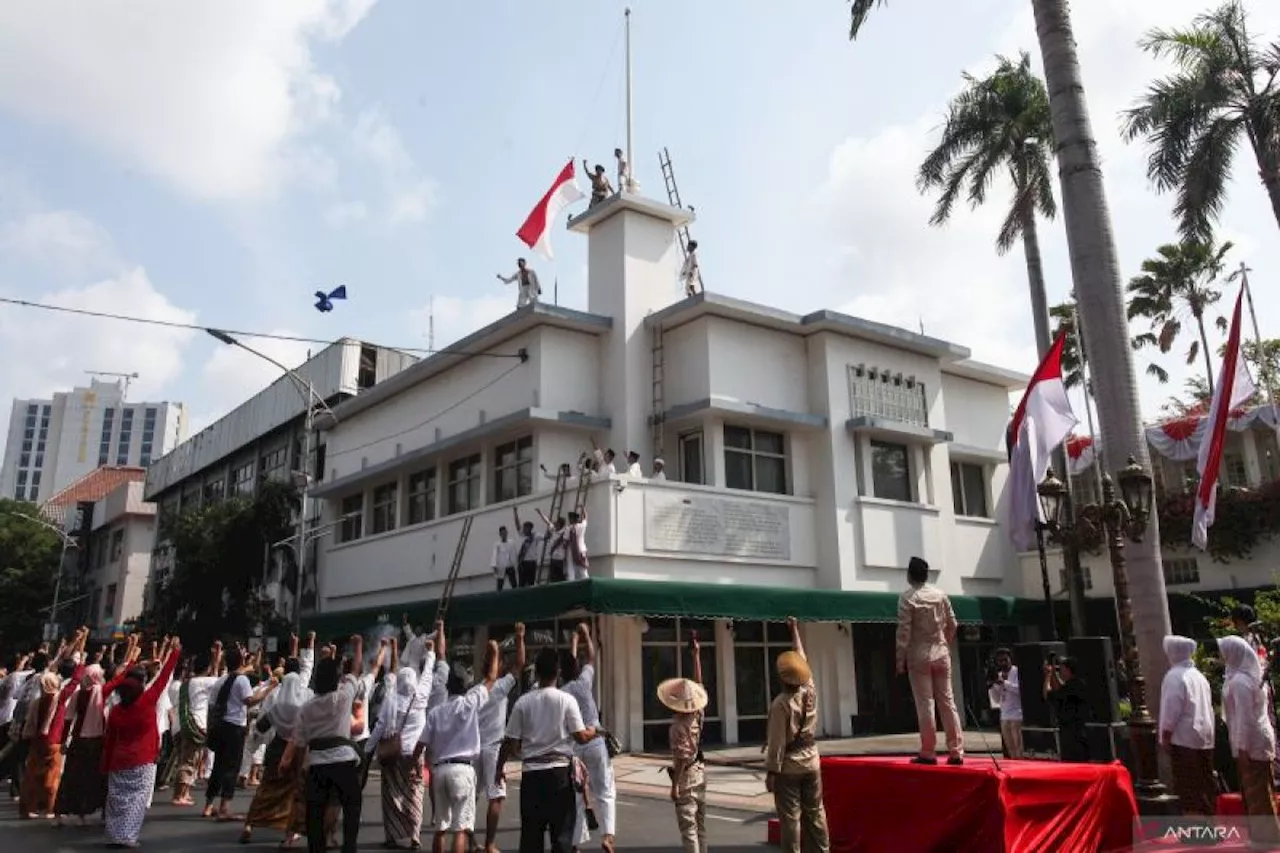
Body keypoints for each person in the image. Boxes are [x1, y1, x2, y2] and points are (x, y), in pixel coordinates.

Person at [497, 647, 597, 853]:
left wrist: (499, 769)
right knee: (561, 837)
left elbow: (509, 742)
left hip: (532, 776)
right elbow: (580, 736)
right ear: (558, 672)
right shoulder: (566, 700)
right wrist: (593, 730)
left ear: (537, 672)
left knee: (531, 837)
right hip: (560, 775)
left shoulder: (523, 703)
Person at [101, 640, 181, 849]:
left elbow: (110, 738)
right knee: (136, 801)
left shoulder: (117, 711)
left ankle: (115, 833)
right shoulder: (146, 703)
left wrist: (106, 763)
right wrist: (174, 653)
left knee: (116, 800)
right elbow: (162, 678)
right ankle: (127, 836)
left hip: (119, 760)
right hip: (142, 759)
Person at [369, 629, 444, 850]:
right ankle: (414, 835)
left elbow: (380, 727)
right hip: (415, 754)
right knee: (415, 791)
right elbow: (428, 674)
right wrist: (430, 655)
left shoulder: (391, 701)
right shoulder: (420, 697)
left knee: (391, 794)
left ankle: (392, 836)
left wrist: (368, 749)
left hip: (393, 754)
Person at [290, 635, 366, 853]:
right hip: (343, 762)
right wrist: (358, 646)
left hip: (317, 765)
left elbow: (300, 744)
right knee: (352, 806)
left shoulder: (306, 708)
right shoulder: (342, 698)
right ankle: (348, 847)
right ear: (336, 679)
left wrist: (298, 774)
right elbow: (356, 671)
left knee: (314, 814)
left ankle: (317, 848)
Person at [240, 634, 316, 847]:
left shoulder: (276, 701)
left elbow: (262, 726)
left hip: (276, 748)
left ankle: (249, 825)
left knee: (266, 788)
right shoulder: (306, 699)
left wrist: (254, 740)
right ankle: (289, 836)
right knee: (295, 793)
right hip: (298, 751)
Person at [765, 617, 830, 853]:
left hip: (790, 766)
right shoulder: (809, 690)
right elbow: (801, 657)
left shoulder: (781, 703)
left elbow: (777, 743)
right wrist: (794, 630)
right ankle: (823, 850)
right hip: (812, 760)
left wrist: (772, 772)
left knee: (790, 818)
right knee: (816, 812)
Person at [416, 654, 490, 853]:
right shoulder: (470, 703)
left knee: (440, 827)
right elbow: (489, 680)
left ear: (447, 688)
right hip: (462, 770)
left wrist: (415, 765)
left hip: (439, 771)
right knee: (461, 828)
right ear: (465, 687)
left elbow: (420, 744)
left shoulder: (435, 712)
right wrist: (492, 655)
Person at [895, 556, 963, 765]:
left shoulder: (907, 598)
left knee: (926, 703)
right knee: (947, 701)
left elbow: (904, 632)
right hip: (941, 651)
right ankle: (956, 750)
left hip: (919, 653)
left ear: (909, 575)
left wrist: (900, 659)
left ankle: (928, 751)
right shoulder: (940, 595)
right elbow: (953, 624)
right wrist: (944, 643)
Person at [20, 627, 89, 820]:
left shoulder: (39, 695)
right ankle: (49, 808)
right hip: (53, 740)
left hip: (36, 738)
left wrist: (76, 641)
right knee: (52, 776)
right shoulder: (58, 698)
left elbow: (55, 666)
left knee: (32, 774)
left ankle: (28, 807)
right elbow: (76, 678)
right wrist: (81, 650)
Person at [1219, 635, 1280, 844]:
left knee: (1257, 792)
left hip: (1251, 743)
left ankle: (1266, 838)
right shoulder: (1244, 677)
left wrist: (1242, 748)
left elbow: (1244, 719)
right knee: (1260, 790)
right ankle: (1266, 835)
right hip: (1256, 741)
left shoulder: (1240, 682)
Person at [205, 645, 277, 820]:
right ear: (241, 661)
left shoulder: (221, 680)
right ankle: (224, 808)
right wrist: (269, 688)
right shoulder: (242, 680)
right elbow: (250, 701)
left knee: (218, 767)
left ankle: (208, 806)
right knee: (231, 767)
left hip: (219, 726)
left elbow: (212, 706)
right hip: (234, 727)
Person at [562, 623, 616, 853]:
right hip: (594, 742)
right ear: (578, 668)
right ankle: (608, 836)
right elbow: (592, 657)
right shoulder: (584, 682)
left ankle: (575, 843)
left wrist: (573, 642)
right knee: (605, 790)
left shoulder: (562, 691)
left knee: (576, 797)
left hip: (576, 747)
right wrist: (584, 636)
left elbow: (571, 663)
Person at [477, 624, 526, 853]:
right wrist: (519, 637)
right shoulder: (499, 688)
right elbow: (520, 664)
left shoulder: (475, 690)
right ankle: (489, 844)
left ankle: (468, 839)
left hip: (474, 748)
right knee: (496, 797)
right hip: (493, 748)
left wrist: (494, 651)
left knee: (470, 798)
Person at [660, 634, 708, 853]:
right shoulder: (697, 714)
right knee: (700, 825)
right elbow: (700, 686)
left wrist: (674, 786)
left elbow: (680, 758)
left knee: (688, 829)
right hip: (700, 771)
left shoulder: (677, 727)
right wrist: (696, 655)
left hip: (686, 776)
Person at [1158, 635, 1216, 816]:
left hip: (1183, 738)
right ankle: (1209, 826)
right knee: (1204, 784)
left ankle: (1197, 833)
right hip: (1204, 738)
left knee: (1188, 786)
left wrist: (1165, 735)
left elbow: (1171, 709)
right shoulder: (1199, 676)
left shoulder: (1174, 676)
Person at [54, 662, 110, 826]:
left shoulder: (78, 694)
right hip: (96, 742)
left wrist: (64, 741)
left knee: (71, 777)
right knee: (89, 779)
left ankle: (59, 813)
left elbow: (68, 719)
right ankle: (82, 814)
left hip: (78, 741)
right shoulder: (101, 693)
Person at [171, 642, 224, 806]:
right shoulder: (204, 682)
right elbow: (220, 680)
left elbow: (215, 677)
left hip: (183, 724)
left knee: (188, 760)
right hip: (195, 724)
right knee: (188, 761)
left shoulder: (189, 682)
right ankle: (179, 795)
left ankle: (184, 793)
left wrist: (216, 657)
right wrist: (218, 655)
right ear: (206, 668)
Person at [1042, 656, 1090, 763]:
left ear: (1068, 670)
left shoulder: (1071, 687)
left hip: (1071, 732)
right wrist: (1054, 673)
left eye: (1062, 669)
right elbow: (1060, 688)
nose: (1061, 672)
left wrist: (1048, 676)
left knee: (1073, 763)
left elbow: (1047, 694)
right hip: (1080, 730)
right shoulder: (1079, 683)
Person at [988, 648, 1023, 759]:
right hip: (1004, 715)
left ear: (1010, 659)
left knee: (1019, 748)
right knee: (1010, 749)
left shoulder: (1017, 672)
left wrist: (1004, 683)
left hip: (1017, 715)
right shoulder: (998, 675)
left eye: (1005, 660)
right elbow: (997, 699)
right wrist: (992, 686)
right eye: (1000, 661)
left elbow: (1019, 690)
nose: (1003, 663)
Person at [492, 525, 518, 592]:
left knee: (514, 583)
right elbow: (494, 555)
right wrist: (494, 565)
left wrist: (516, 563)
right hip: (501, 566)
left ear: (507, 533)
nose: (504, 535)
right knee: (500, 584)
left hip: (510, 565)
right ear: (500, 534)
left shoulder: (511, 542)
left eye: (505, 533)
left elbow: (514, 553)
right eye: (502, 533)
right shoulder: (497, 544)